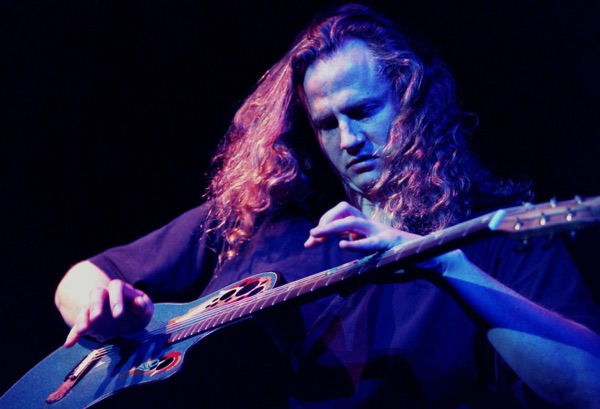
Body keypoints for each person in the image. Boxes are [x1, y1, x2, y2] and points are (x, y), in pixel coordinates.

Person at [54, 4, 600, 408]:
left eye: (363, 111)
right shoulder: (266, 221)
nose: (349, 139)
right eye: (327, 124)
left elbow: (590, 387)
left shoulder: (490, 236)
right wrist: (99, 307)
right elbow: (81, 279)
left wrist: (447, 265)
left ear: (413, 99)